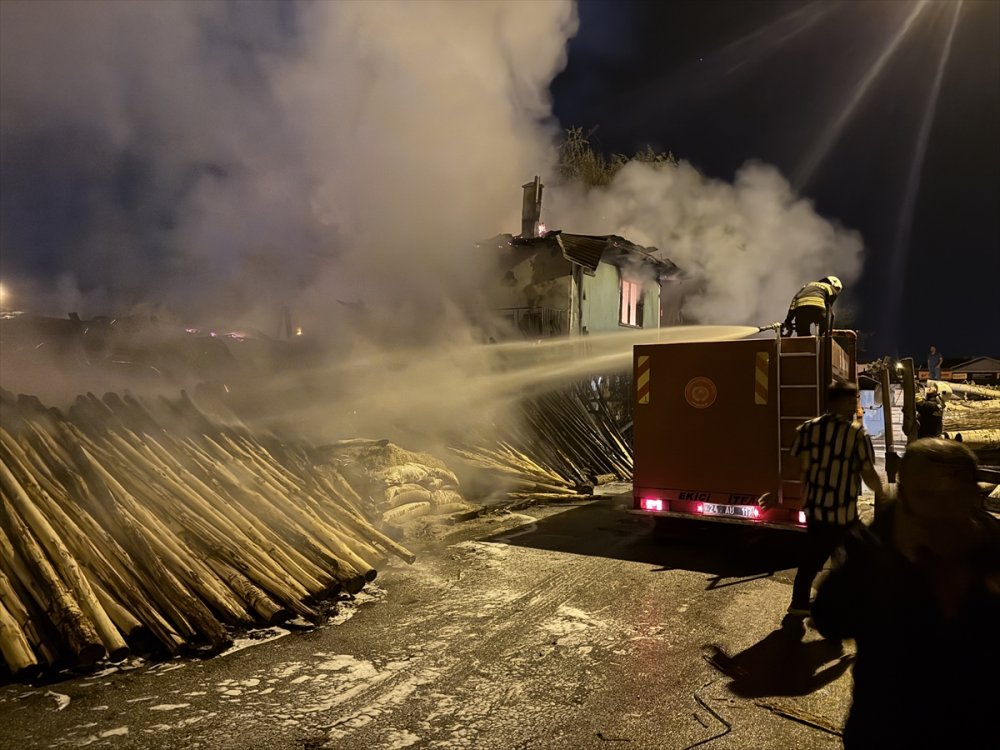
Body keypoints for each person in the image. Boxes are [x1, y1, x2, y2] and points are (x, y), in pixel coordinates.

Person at [811, 439, 1000, 748]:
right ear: (905, 498)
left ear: (972, 493)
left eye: (954, 494)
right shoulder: (874, 547)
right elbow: (829, 619)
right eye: (928, 496)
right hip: (886, 729)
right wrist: (879, 563)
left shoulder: (992, 548)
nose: (942, 509)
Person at [786, 379, 884, 615]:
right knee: (865, 554)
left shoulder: (808, 428)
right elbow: (867, 471)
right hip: (842, 511)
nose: (855, 404)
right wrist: (883, 494)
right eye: (852, 399)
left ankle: (801, 603)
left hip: (815, 507)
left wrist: (775, 490)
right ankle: (837, 604)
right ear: (839, 402)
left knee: (815, 556)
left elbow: (796, 465)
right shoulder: (855, 433)